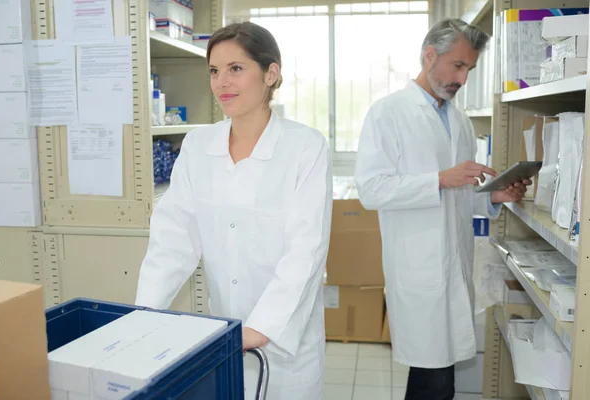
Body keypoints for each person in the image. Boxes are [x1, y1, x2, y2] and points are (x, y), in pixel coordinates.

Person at [135, 22, 332, 399]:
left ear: (271, 74)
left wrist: (261, 328)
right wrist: (144, 313)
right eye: (214, 70)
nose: (221, 82)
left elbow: (307, 251)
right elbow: (172, 240)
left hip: (286, 340)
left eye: (236, 69)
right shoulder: (198, 146)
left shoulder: (305, 147)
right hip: (224, 333)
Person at [354, 19, 530, 400]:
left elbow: (459, 196)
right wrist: (438, 179)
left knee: (437, 377)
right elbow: (370, 189)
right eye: (458, 65)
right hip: (418, 267)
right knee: (434, 380)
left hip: (453, 263)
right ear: (429, 56)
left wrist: (493, 197)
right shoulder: (389, 113)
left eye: (469, 69)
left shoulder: (459, 119)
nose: (463, 79)